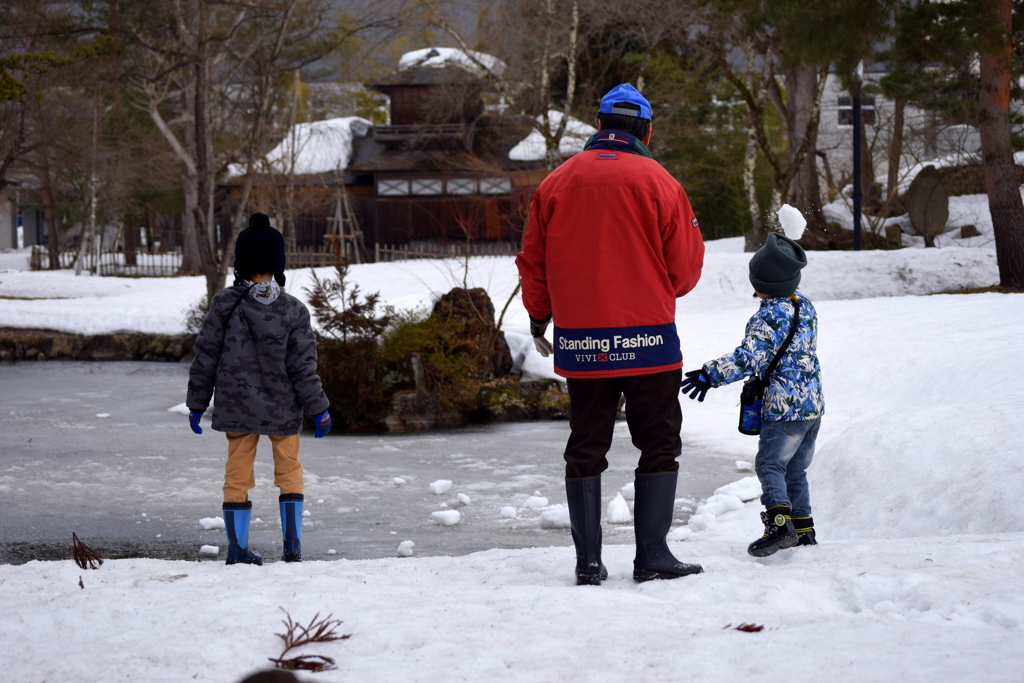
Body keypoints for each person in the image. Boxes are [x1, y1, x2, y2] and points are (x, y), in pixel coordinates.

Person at [516, 83, 706, 585]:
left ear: (598, 126)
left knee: (586, 446)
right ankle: (653, 557)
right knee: (660, 444)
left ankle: (588, 563)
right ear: (647, 129)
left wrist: (540, 318)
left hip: (584, 344)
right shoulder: (662, 183)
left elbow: (532, 263)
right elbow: (684, 273)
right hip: (650, 343)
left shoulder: (555, 184)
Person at [186, 212, 332, 565]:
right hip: (283, 408)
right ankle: (292, 547)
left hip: (236, 405)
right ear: (277, 263)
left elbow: (206, 355)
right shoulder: (294, 310)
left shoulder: (225, 303)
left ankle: (237, 549)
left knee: (237, 475)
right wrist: (319, 409)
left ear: (241, 263)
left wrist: (196, 403)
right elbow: (302, 368)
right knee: (289, 470)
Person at [680, 232, 824, 557]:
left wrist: (709, 374)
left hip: (784, 407)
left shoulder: (767, 317)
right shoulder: (806, 308)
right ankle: (804, 530)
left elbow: (748, 358)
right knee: (795, 470)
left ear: (766, 284)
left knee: (769, 463)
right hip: (812, 405)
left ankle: (779, 525)